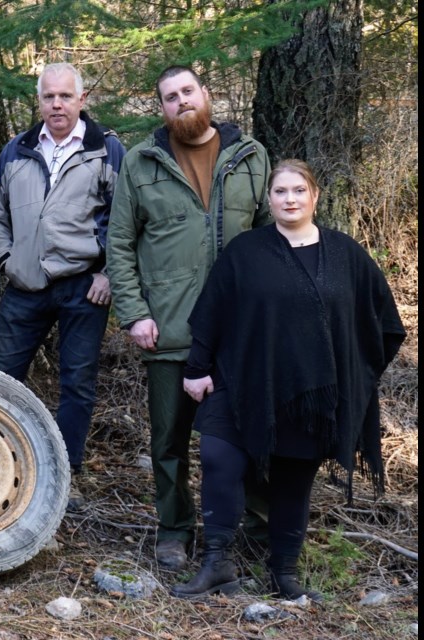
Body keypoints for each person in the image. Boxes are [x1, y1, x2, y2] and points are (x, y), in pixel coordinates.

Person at [170, 160, 405, 600]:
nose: (290, 199)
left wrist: (356, 376)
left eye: (299, 190)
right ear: (270, 200)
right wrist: (197, 368)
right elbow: (212, 311)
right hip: (243, 383)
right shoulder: (246, 251)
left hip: (311, 397)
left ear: (315, 196)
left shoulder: (346, 254)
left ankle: (285, 574)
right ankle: (217, 563)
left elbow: (385, 324)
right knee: (220, 457)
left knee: (294, 480)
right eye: (280, 192)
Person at [106, 65, 271, 569]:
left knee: (251, 436)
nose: (181, 102)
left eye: (187, 92)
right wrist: (134, 313)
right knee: (169, 443)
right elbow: (119, 243)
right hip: (170, 329)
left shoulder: (250, 156)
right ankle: (174, 530)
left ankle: (255, 530)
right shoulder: (141, 163)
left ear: (207, 94)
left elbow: (273, 238)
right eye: (169, 97)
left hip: (240, 334)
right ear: (162, 109)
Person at [0, 62, 126, 510]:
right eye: (49, 96)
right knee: (0, 378)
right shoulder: (17, 150)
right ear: (39, 101)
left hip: (85, 287)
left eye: (66, 96)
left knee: (78, 383)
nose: (57, 104)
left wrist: (109, 274)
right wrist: (8, 260)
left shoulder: (107, 151)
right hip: (25, 285)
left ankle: (66, 474)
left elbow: (127, 222)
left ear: (82, 100)